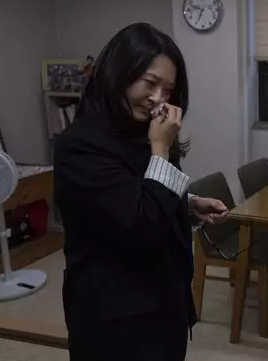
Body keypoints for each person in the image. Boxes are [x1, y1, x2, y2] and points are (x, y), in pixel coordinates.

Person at [54, 22, 228, 361]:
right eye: (149, 83)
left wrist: (188, 204)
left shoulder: (140, 131)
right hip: (116, 317)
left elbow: (139, 190)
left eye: (168, 89)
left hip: (164, 300)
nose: (158, 99)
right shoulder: (80, 145)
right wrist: (160, 148)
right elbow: (140, 224)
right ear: (116, 74)